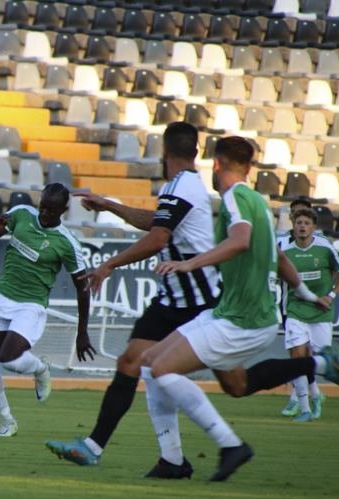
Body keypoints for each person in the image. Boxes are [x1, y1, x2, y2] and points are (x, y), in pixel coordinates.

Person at [135, 136, 339, 482]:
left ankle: (229, 445)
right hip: (235, 313)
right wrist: (308, 294)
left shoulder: (234, 197)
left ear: (216, 165)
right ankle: (321, 362)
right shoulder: (258, 203)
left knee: (162, 370)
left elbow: (240, 241)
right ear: (250, 168)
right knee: (166, 368)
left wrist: (189, 265)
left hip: (243, 319)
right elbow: (278, 258)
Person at [45, 121, 219, 464]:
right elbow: (156, 221)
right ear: (196, 151)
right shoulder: (182, 185)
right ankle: (99, 449)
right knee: (131, 362)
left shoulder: (181, 186)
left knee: (236, 381)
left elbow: (157, 238)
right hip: (173, 298)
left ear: (164, 152)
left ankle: (315, 363)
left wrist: (109, 264)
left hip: (198, 298)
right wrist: (109, 205)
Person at [0, 182, 95, 437]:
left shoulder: (67, 243)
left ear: (63, 210)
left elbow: (83, 288)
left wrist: (82, 332)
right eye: (42, 206)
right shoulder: (21, 213)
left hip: (30, 305)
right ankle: (7, 421)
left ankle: (40, 369)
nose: (44, 213)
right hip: (1, 299)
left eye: (52, 209)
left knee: (9, 359)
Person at [278, 208, 339, 422]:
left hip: (321, 313)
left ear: (313, 227)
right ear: (293, 225)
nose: (302, 226)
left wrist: (330, 295)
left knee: (319, 361)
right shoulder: (285, 251)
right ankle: (305, 408)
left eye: (306, 223)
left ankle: (316, 395)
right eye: (299, 222)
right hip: (295, 310)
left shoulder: (324, 247)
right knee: (297, 359)